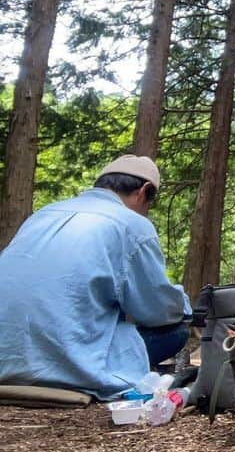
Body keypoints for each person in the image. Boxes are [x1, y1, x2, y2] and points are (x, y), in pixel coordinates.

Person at [0, 155, 192, 399]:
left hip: (5, 361)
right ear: (144, 192)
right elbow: (157, 310)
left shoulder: (42, 214)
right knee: (175, 331)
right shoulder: (132, 224)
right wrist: (185, 307)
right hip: (73, 368)